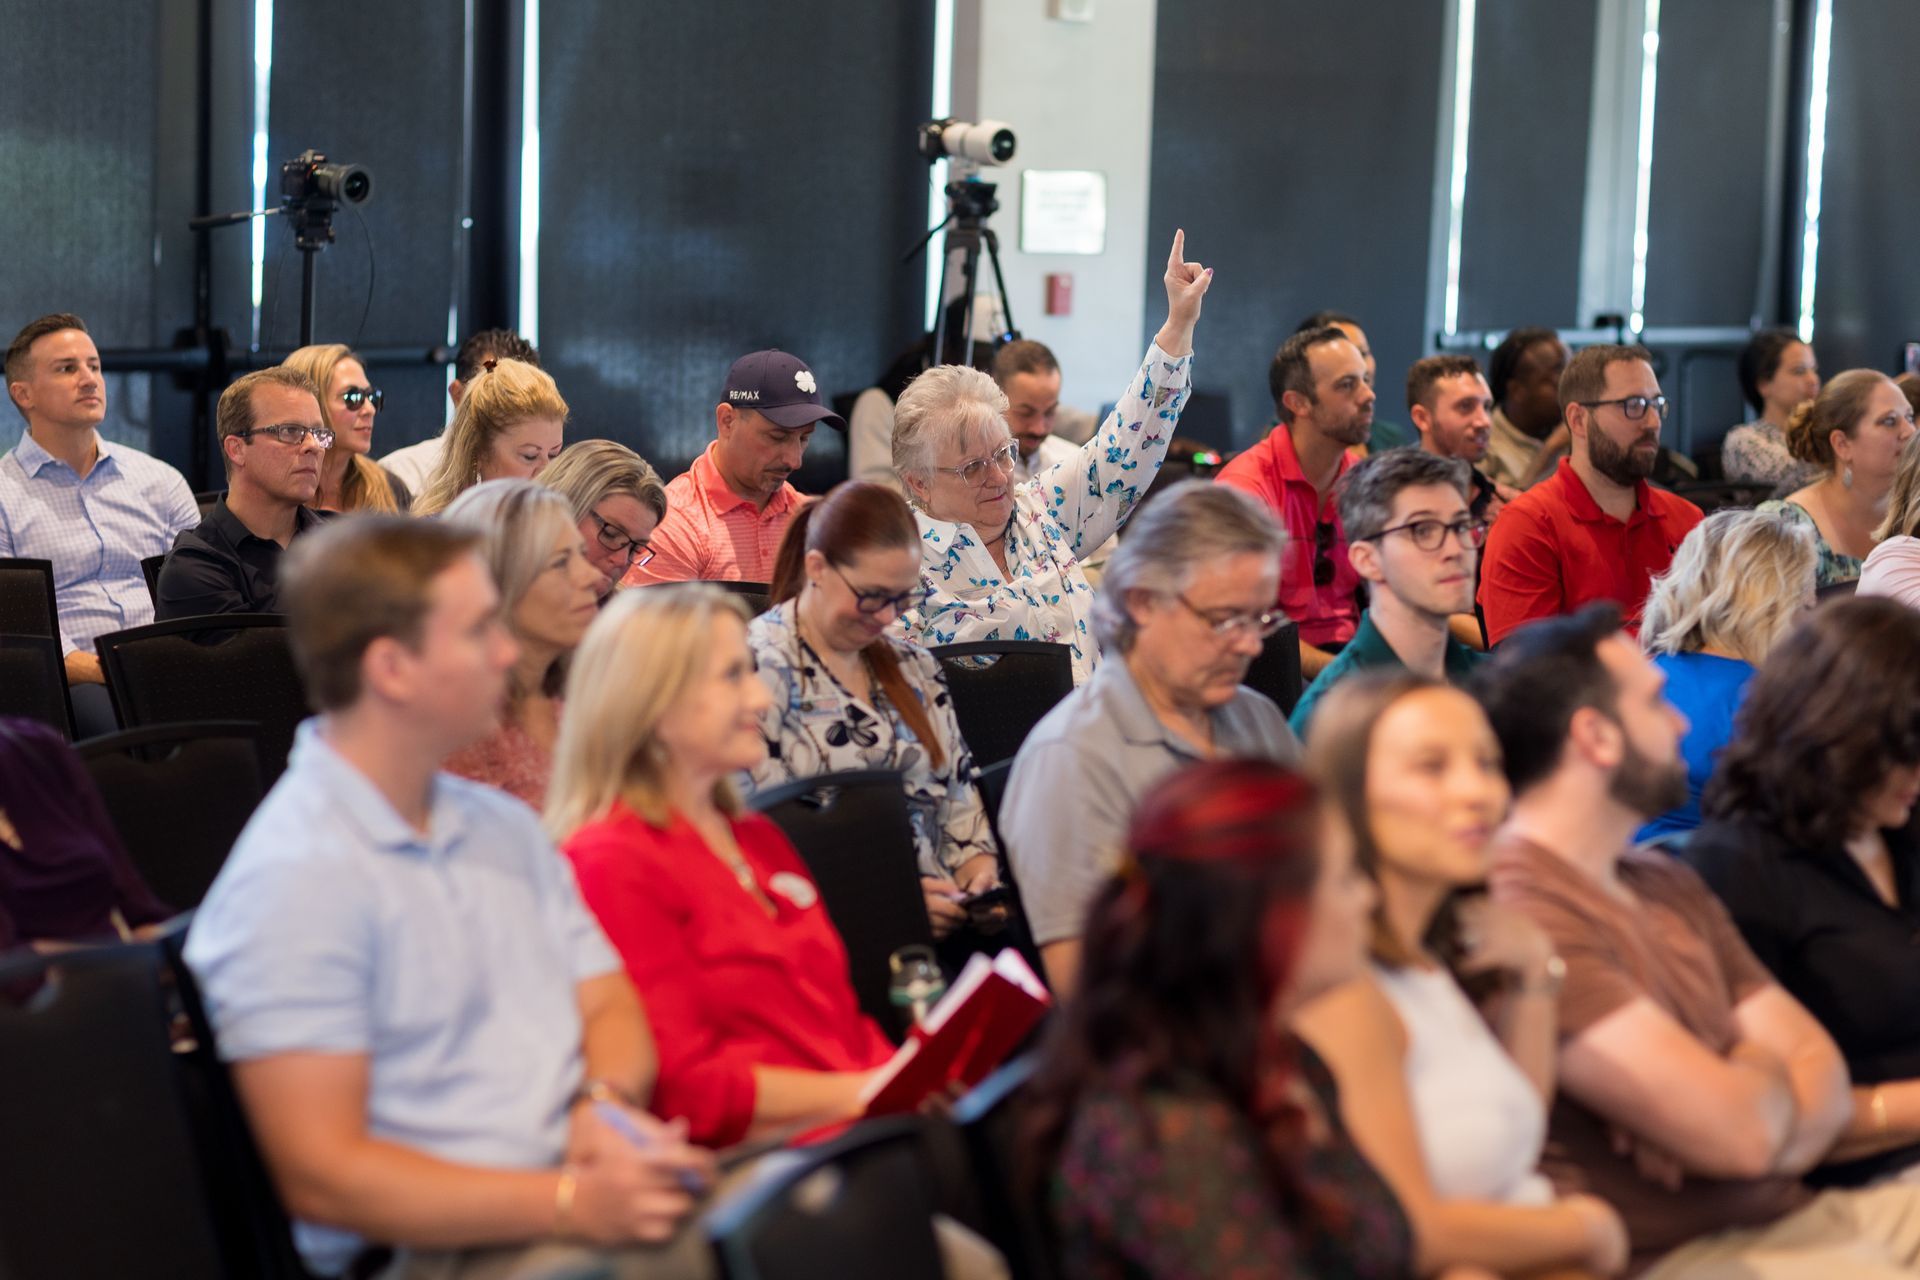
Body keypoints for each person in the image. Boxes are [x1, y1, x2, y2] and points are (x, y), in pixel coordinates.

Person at [184, 515, 716, 1279]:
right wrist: (569, 1201)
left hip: (569, 1184)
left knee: (829, 1210)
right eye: (478, 631)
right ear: (392, 668)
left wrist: (599, 1108)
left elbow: (608, 1004)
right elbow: (326, 1178)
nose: (506, 652)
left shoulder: (499, 825)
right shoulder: (293, 880)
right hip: (445, 1247)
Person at [1480, 604, 1920, 1277]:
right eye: (1657, 702)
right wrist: (1753, 1074)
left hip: (1793, 1217)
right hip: (1694, 1252)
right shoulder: (1529, 909)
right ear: (1596, 736)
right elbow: (1743, 1137)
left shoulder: (1663, 880)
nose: (1682, 722)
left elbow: (1821, 1075)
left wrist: (1731, 1073)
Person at [1023, 758, 1412, 1278]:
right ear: (1272, 918)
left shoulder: (1280, 1057)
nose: (1368, 897)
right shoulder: (1165, 1139)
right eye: (1344, 879)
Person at [1295, 673, 1630, 1278]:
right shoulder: (1344, 991)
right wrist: (1590, 1227)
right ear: (1351, 794)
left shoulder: (1425, 957)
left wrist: (1534, 975)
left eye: (1486, 763)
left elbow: (1512, 1128)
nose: (1476, 791)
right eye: (1432, 767)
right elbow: (1412, 1230)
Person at [547, 585, 897, 1148]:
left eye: (752, 671)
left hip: (863, 1131)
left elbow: (839, 1021)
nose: (760, 698)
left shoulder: (756, 837)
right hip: (771, 1167)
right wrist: (869, 1091)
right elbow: (686, 1090)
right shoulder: (608, 861)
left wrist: (905, 1076)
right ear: (652, 703)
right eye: (733, 676)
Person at [999, 481, 1299, 995]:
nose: (1251, 645)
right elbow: (1091, 992)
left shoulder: (1256, 717)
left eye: (1259, 619)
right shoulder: (1071, 760)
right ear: (1142, 602)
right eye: (1226, 619)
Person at [894, 230, 1209, 685]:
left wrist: (1178, 323)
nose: (999, 476)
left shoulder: (1040, 512)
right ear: (918, 481)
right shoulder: (899, 567)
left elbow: (1125, 447)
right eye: (972, 467)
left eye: (1003, 454)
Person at [1688, 597, 1920, 1190]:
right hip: (1849, 1180)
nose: (1916, 777)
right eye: (1904, 754)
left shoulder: (1896, 830)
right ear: (1839, 737)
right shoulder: (1739, 867)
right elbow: (1764, 1122)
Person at [745, 482, 1000, 938]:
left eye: (902, 599)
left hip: (943, 926)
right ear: (817, 568)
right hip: (826, 933)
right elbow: (755, 846)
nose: (886, 617)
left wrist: (978, 877)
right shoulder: (755, 670)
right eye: (872, 596)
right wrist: (892, 903)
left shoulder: (913, 667)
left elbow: (960, 798)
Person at [0, 313, 199, 736]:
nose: (89, 379)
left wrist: (176, 658)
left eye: (94, 366)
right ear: (23, 393)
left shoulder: (160, 480)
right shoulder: (4, 494)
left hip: (170, 662)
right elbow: (15, 622)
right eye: (67, 368)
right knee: (123, 729)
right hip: (72, 678)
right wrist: (99, 668)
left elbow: (198, 588)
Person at [1478, 344, 1703, 646]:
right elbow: (1528, 666)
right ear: (1579, 420)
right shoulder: (1527, 526)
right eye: (1633, 405)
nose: (1653, 422)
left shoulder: (1687, 519)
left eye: (1656, 404)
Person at [1634, 510, 1817, 844]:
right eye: (1805, 606)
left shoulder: (1643, 674)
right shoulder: (1765, 705)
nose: (1809, 622)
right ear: (1774, 607)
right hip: (1709, 871)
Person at [1287, 450, 1488, 739]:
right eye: (1423, 530)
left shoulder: (1497, 683)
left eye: (1461, 526)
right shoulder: (1330, 718)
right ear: (1367, 560)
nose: (1456, 549)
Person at [1217, 325, 1373, 678]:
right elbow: (1242, 624)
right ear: (1298, 403)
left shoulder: (1365, 481)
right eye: (1347, 385)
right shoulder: (1245, 489)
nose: (1368, 395)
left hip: (1350, 657)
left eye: (1364, 380)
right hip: (1271, 667)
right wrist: (1345, 673)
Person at [440, 481, 603, 808]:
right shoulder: (458, 732)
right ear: (495, 584)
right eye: (561, 563)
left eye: (582, 555)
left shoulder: (585, 698)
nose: (592, 577)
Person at [624, 350, 844, 587]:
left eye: (804, 438)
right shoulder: (673, 523)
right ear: (727, 421)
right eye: (777, 437)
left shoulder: (812, 520)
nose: (794, 460)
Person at [155, 367, 331, 620]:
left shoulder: (341, 543)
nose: (313, 446)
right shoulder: (194, 568)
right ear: (236, 449)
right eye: (290, 431)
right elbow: (265, 649)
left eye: (319, 433)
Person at [0, 715, 173, 953]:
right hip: (48, 969)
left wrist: (163, 947)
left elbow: (136, 904)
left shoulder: (37, 745)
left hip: (115, 961)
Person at [1757, 369, 1917, 588]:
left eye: (1909, 417)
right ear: (1842, 444)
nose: (1910, 431)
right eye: (1889, 421)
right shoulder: (1786, 526)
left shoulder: (1915, 511)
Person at [381, 329, 540, 493]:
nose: (514, 409)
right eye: (496, 393)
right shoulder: (404, 474)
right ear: (458, 394)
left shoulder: (546, 477)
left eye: (527, 397)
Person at [412, 358, 569, 517]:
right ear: (480, 451)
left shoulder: (563, 525)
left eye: (553, 455)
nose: (546, 472)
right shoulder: (437, 530)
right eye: (530, 456)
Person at [281, 344, 410, 513]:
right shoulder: (275, 492)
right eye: (352, 397)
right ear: (312, 403)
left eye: (371, 397)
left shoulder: (389, 490)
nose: (370, 409)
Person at [536, 440, 669, 603]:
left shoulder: (622, 613)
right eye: (610, 534)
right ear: (559, 511)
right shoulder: (505, 596)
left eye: (635, 549)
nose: (621, 560)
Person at [1407, 353, 1514, 522]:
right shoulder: (1387, 504)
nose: (1484, 421)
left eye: (1487, 407)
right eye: (1465, 406)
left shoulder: (1510, 508)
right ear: (1422, 418)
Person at [1297, 309, 1414, 452]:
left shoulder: (1391, 439)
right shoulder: (1279, 445)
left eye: (1363, 353)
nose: (1361, 367)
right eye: (1344, 356)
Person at [1722, 328, 1822, 489]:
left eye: (1814, 370)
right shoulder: (1744, 440)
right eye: (1799, 371)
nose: (1813, 379)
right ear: (1763, 384)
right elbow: (1796, 479)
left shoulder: (1823, 434)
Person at [1483, 327, 1570, 490]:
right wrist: (1550, 451)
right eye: (1556, 380)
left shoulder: (1577, 437)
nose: (1569, 390)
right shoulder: (1484, 447)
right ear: (1517, 391)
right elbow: (1510, 506)